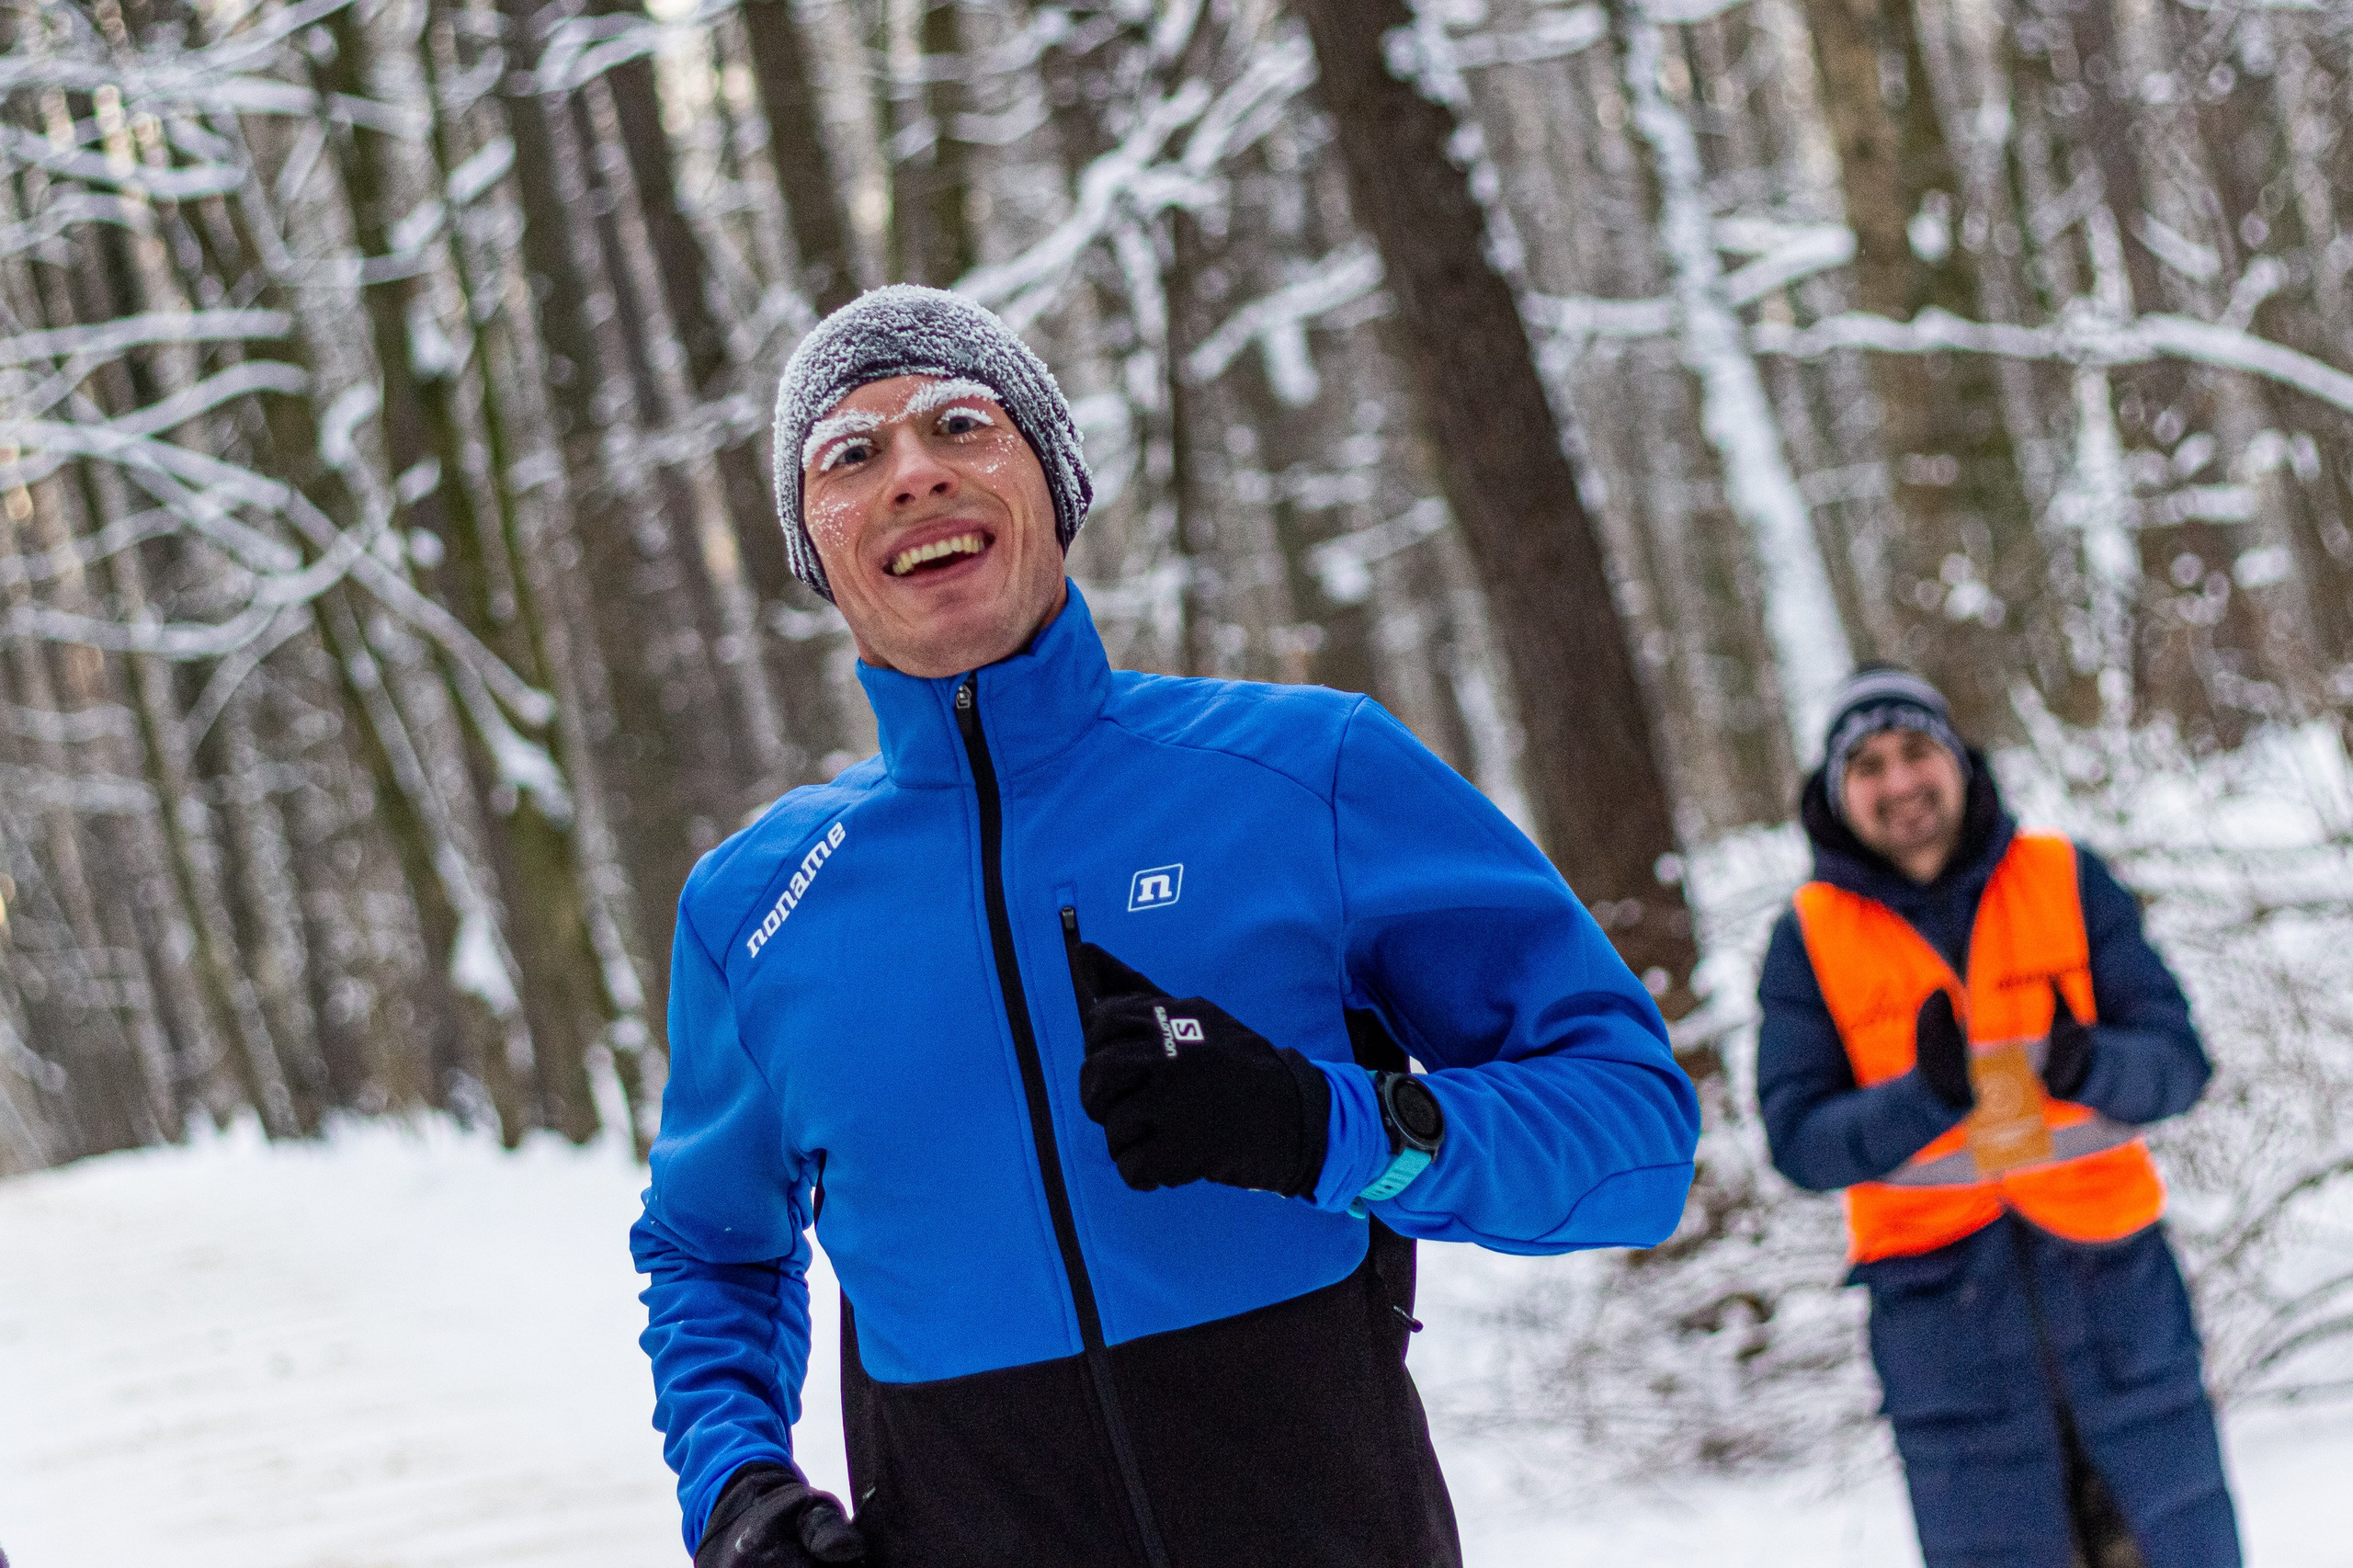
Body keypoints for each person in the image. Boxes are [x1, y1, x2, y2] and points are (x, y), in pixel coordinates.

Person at [629, 286, 1702, 1568]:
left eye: (961, 424)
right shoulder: (756, 908)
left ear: (1057, 481)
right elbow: (709, 1251)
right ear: (817, 545)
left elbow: (1636, 1139)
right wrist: (739, 1490)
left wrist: (1329, 1126)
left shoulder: (1309, 772)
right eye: (850, 455)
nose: (912, 473)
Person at [1756, 665, 2240, 1568]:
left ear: (1958, 761)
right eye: (1867, 764)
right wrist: (1922, 1097)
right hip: (1945, 1337)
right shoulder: (1807, 935)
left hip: (2119, 1303)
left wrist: (2090, 1063)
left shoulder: (2065, 875)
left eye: (1914, 751)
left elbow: (2179, 1065)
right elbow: (1799, 1141)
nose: (1898, 782)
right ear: (1836, 792)